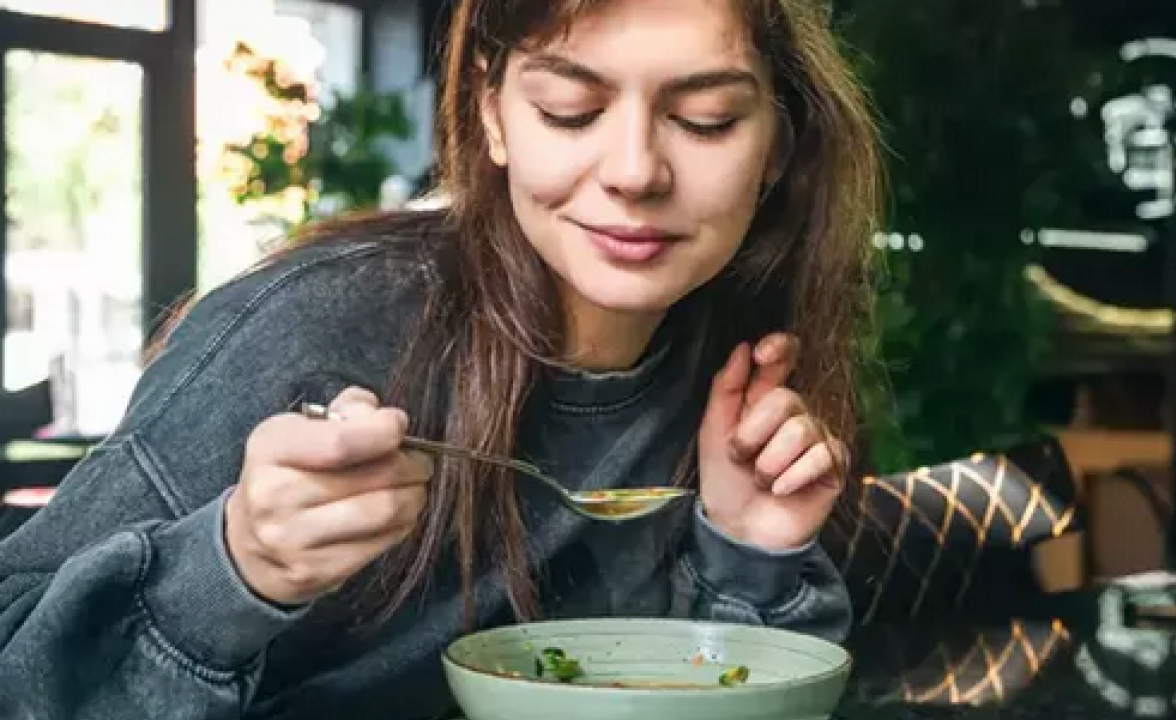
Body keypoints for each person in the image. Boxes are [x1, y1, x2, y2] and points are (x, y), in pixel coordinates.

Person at [0, 0, 882, 717]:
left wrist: (748, 553)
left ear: (777, 148)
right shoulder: (314, 328)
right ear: (494, 114)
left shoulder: (740, 365)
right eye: (569, 110)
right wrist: (232, 567)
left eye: (705, 120)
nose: (634, 171)